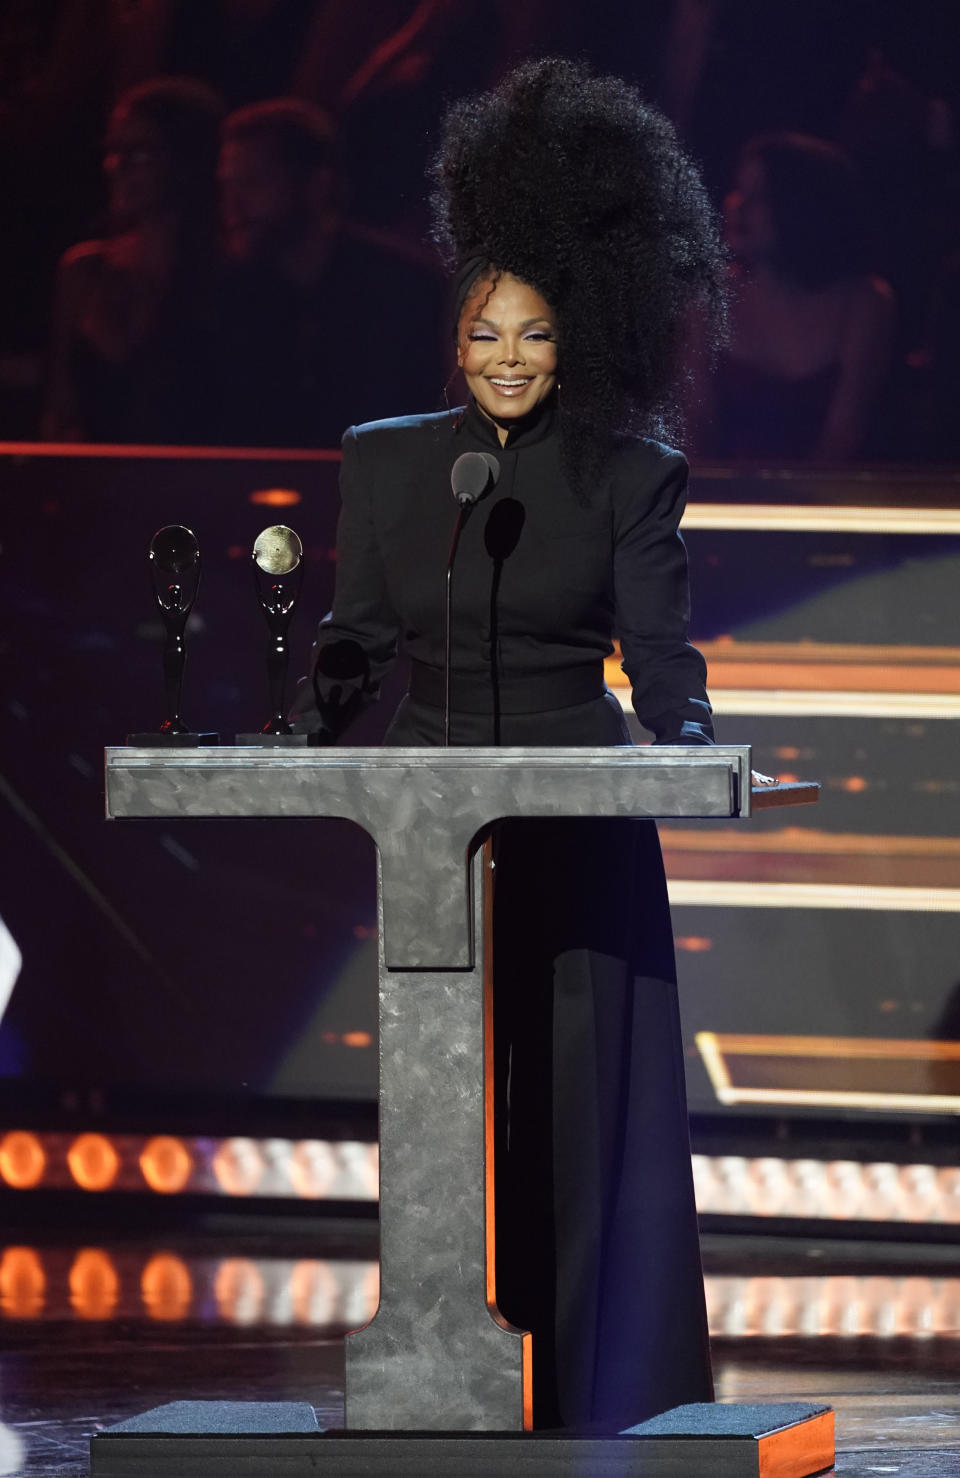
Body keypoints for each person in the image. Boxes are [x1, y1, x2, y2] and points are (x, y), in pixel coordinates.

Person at [292, 58, 725, 1431]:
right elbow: (357, 639)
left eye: (535, 335)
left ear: (577, 337)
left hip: (575, 821)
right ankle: (445, 1382)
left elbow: (657, 656)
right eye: (486, 334)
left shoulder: (628, 472)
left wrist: (692, 733)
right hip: (431, 836)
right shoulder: (394, 462)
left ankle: (595, 1387)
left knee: (578, 1103)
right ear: (454, 336)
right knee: (454, 1115)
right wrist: (302, 728)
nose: (509, 360)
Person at [214, 97, 445, 446]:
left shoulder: (399, 289)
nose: (233, 205)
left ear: (317, 185)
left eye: (253, 183)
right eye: (228, 185)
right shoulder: (226, 296)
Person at [690, 131, 895, 461]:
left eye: (760, 196)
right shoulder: (707, 300)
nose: (736, 206)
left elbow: (843, 438)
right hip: (719, 502)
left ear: (802, 207)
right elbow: (693, 431)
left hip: (826, 506)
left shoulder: (864, 303)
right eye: (739, 190)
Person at [43, 75, 224, 444]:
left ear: (186, 159)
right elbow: (61, 409)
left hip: (197, 484)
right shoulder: (87, 270)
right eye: (113, 149)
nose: (116, 165)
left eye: (139, 152)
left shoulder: (226, 270)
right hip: (95, 484)